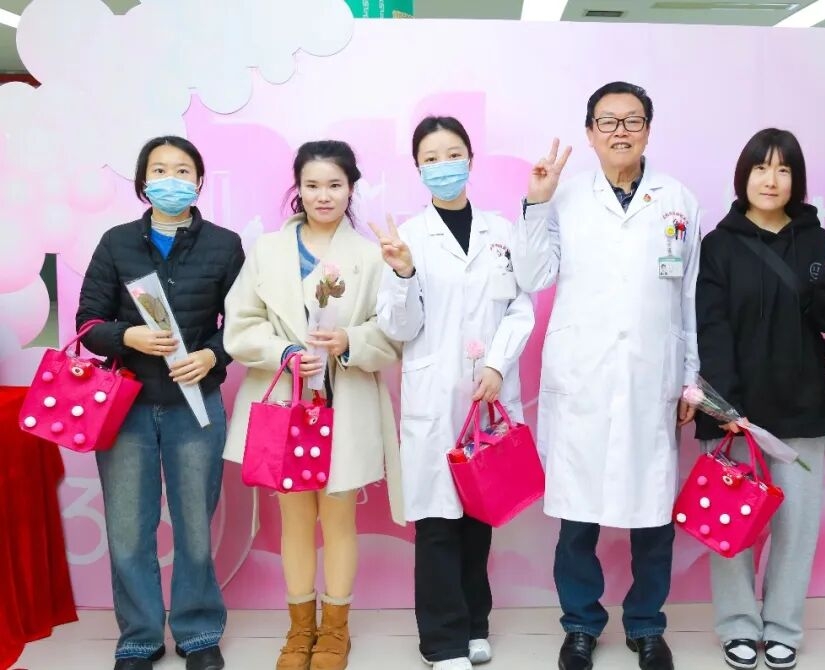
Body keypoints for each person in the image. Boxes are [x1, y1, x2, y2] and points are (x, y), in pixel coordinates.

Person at [513, 81, 700, 670]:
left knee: (653, 515)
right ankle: (580, 625)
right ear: (590, 133)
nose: (621, 131)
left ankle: (646, 626)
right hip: (584, 379)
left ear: (648, 129)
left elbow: (689, 297)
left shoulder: (678, 200)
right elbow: (534, 275)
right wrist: (535, 203)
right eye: (608, 121)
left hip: (651, 376)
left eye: (632, 120)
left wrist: (690, 375)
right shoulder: (565, 197)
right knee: (578, 515)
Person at [222, 140, 404, 670]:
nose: (323, 195)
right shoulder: (267, 251)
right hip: (284, 401)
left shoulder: (370, 255)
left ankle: (336, 630)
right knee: (295, 519)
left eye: (335, 185)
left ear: (351, 189)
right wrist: (282, 351)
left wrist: (349, 341)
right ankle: (300, 629)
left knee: (339, 517)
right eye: (312, 185)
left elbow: (391, 334)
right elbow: (240, 324)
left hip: (344, 402)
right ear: (297, 189)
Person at [372, 115, 535, 670]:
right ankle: (442, 642)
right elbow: (399, 327)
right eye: (431, 158)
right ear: (418, 168)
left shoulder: (501, 232)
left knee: (479, 515)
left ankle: (474, 625)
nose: (444, 166)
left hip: (489, 391)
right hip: (435, 395)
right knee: (439, 520)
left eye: (453, 154)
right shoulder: (408, 238)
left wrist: (496, 365)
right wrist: (402, 274)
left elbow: (520, 307)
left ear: (471, 158)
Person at [76, 135, 244, 670]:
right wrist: (128, 337)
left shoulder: (225, 245)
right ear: (143, 182)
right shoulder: (117, 242)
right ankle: (139, 637)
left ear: (199, 181)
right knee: (128, 529)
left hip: (196, 405)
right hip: (125, 407)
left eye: (182, 170)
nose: (171, 179)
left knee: (195, 527)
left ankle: (198, 633)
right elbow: (87, 322)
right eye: (159, 170)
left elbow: (244, 324)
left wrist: (211, 357)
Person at [695, 128, 825, 670]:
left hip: (802, 406)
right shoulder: (718, 245)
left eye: (783, 169)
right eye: (761, 167)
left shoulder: (817, 243)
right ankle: (738, 625)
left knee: (796, 527)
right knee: (730, 525)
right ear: (743, 176)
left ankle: (783, 627)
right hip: (735, 414)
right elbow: (711, 328)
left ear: (796, 180)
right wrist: (726, 409)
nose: (771, 179)